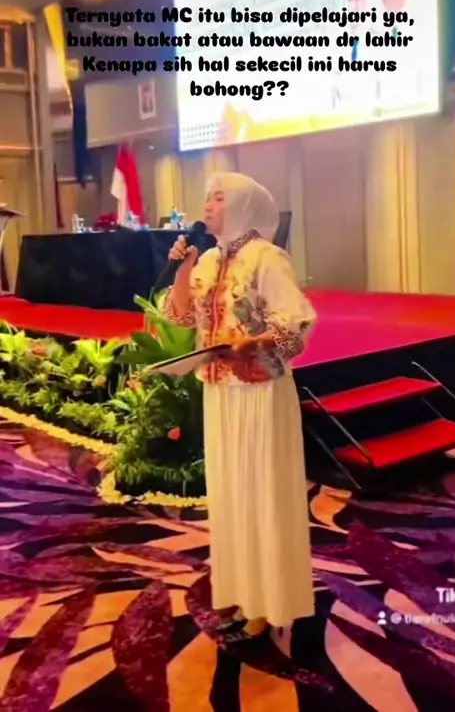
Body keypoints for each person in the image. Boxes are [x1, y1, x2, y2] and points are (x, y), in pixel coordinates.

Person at [161, 172, 316, 640]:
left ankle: (269, 603)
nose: (208, 205)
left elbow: (296, 325)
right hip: (219, 391)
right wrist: (183, 268)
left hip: (259, 393)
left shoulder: (266, 257)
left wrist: (251, 343)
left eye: (218, 198)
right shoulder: (208, 259)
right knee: (231, 496)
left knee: (261, 493)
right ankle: (242, 594)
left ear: (244, 206)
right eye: (207, 198)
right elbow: (180, 317)